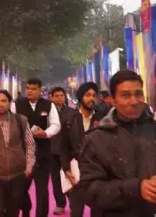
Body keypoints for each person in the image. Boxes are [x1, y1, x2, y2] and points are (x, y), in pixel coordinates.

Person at [77, 70, 156, 216]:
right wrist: (136, 189)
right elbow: (89, 190)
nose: (134, 101)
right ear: (113, 100)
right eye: (125, 95)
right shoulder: (96, 139)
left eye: (138, 94)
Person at [11, 77, 61, 217]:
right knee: (20, 189)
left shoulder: (48, 105)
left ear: (40, 91)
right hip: (22, 155)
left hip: (42, 154)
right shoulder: (17, 104)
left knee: (42, 191)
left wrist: (45, 133)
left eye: (33, 89)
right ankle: (26, 209)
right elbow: (11, 124)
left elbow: (56, 125)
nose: (30, 91)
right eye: (28, 88)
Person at [60, 82, 103, 217]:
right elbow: (63, 146)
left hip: (97, 173)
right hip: (76, 172)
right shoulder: (69, 119)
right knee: (77, 210)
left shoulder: (102, 119)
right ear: (80, 97)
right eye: (88, 95)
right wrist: (66, 169)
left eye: (94, 95)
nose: (91, 98)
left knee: (98, 210)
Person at [48, 86, 73, 215]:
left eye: (61, 95)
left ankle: (74, 203)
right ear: (51, 97)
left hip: (67, 151)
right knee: (56, 179)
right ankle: (60, 204)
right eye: (56, 96)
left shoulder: (71, 112)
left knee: (70, 177)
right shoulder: (47, 112)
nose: (59, 98)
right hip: (52, 150)